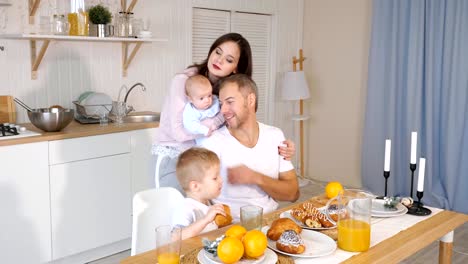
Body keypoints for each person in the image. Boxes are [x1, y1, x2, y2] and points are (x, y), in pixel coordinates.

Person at [154, 32, 295, 193]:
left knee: (197, 214)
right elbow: (179, 133)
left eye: (228, 59)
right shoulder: (183, 82)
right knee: (174, 213)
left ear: (236, 68)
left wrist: (279, 147)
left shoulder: (224, 91)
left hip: (199, 161)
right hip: (172, 158)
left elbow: (240, 124)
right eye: (218, 52)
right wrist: (213, 124)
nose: (219, 60)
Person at [200, 74, 300, 221]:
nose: (223, 110)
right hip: (231, 227)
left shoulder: (275, 135)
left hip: (269, 221)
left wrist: (255, 178)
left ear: (250, 100)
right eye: (221, 104)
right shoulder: (212, 143)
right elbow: (199, 198)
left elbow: (293, 193)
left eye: (230, 102)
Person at [171, 147, 226, 239]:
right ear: (195, 186)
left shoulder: (210, 203)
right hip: (191, 253)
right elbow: (176, 237)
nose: (221, 180)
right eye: (215, 178)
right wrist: (206, 220)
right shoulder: (185, 209)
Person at [182, 75, 219, 141]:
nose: (207, 100)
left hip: (220, 130)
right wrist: (204, 130)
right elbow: (190, 125)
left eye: (209, 95)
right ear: (190, 99)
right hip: (205, 135)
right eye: (201, 98)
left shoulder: (215, 100)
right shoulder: (191, 110)